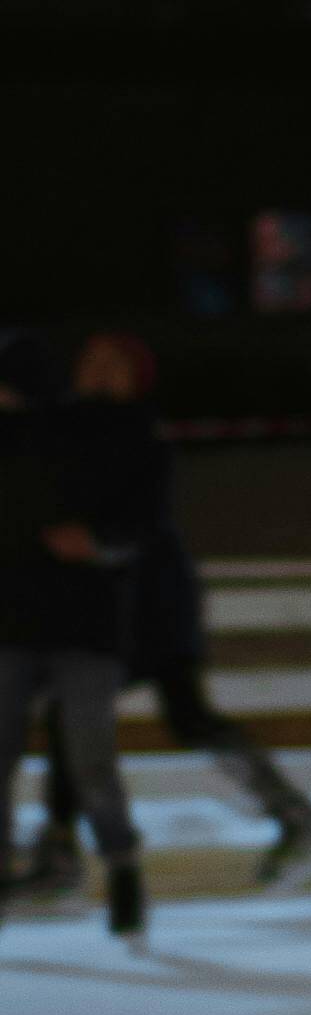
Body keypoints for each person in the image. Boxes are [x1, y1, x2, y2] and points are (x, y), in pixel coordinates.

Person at [26, 333, 311, 897]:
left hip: (150, 597)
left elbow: (138, 517)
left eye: (113, 364)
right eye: (91, 362)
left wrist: (99, 543)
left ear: (136, 378)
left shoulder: (140, 436)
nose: (98, 372)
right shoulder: (64, 431)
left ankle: (293, 814)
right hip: (102, 598)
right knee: (89, 718)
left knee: (178, 712)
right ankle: (59, 850)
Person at [0, 329, 150, 939]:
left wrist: (102, 543)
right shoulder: (34, 433)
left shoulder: (117, 436)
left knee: (90, 754)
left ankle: (122, 866)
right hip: (12, 619)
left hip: (86, 622)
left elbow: (141, 519)